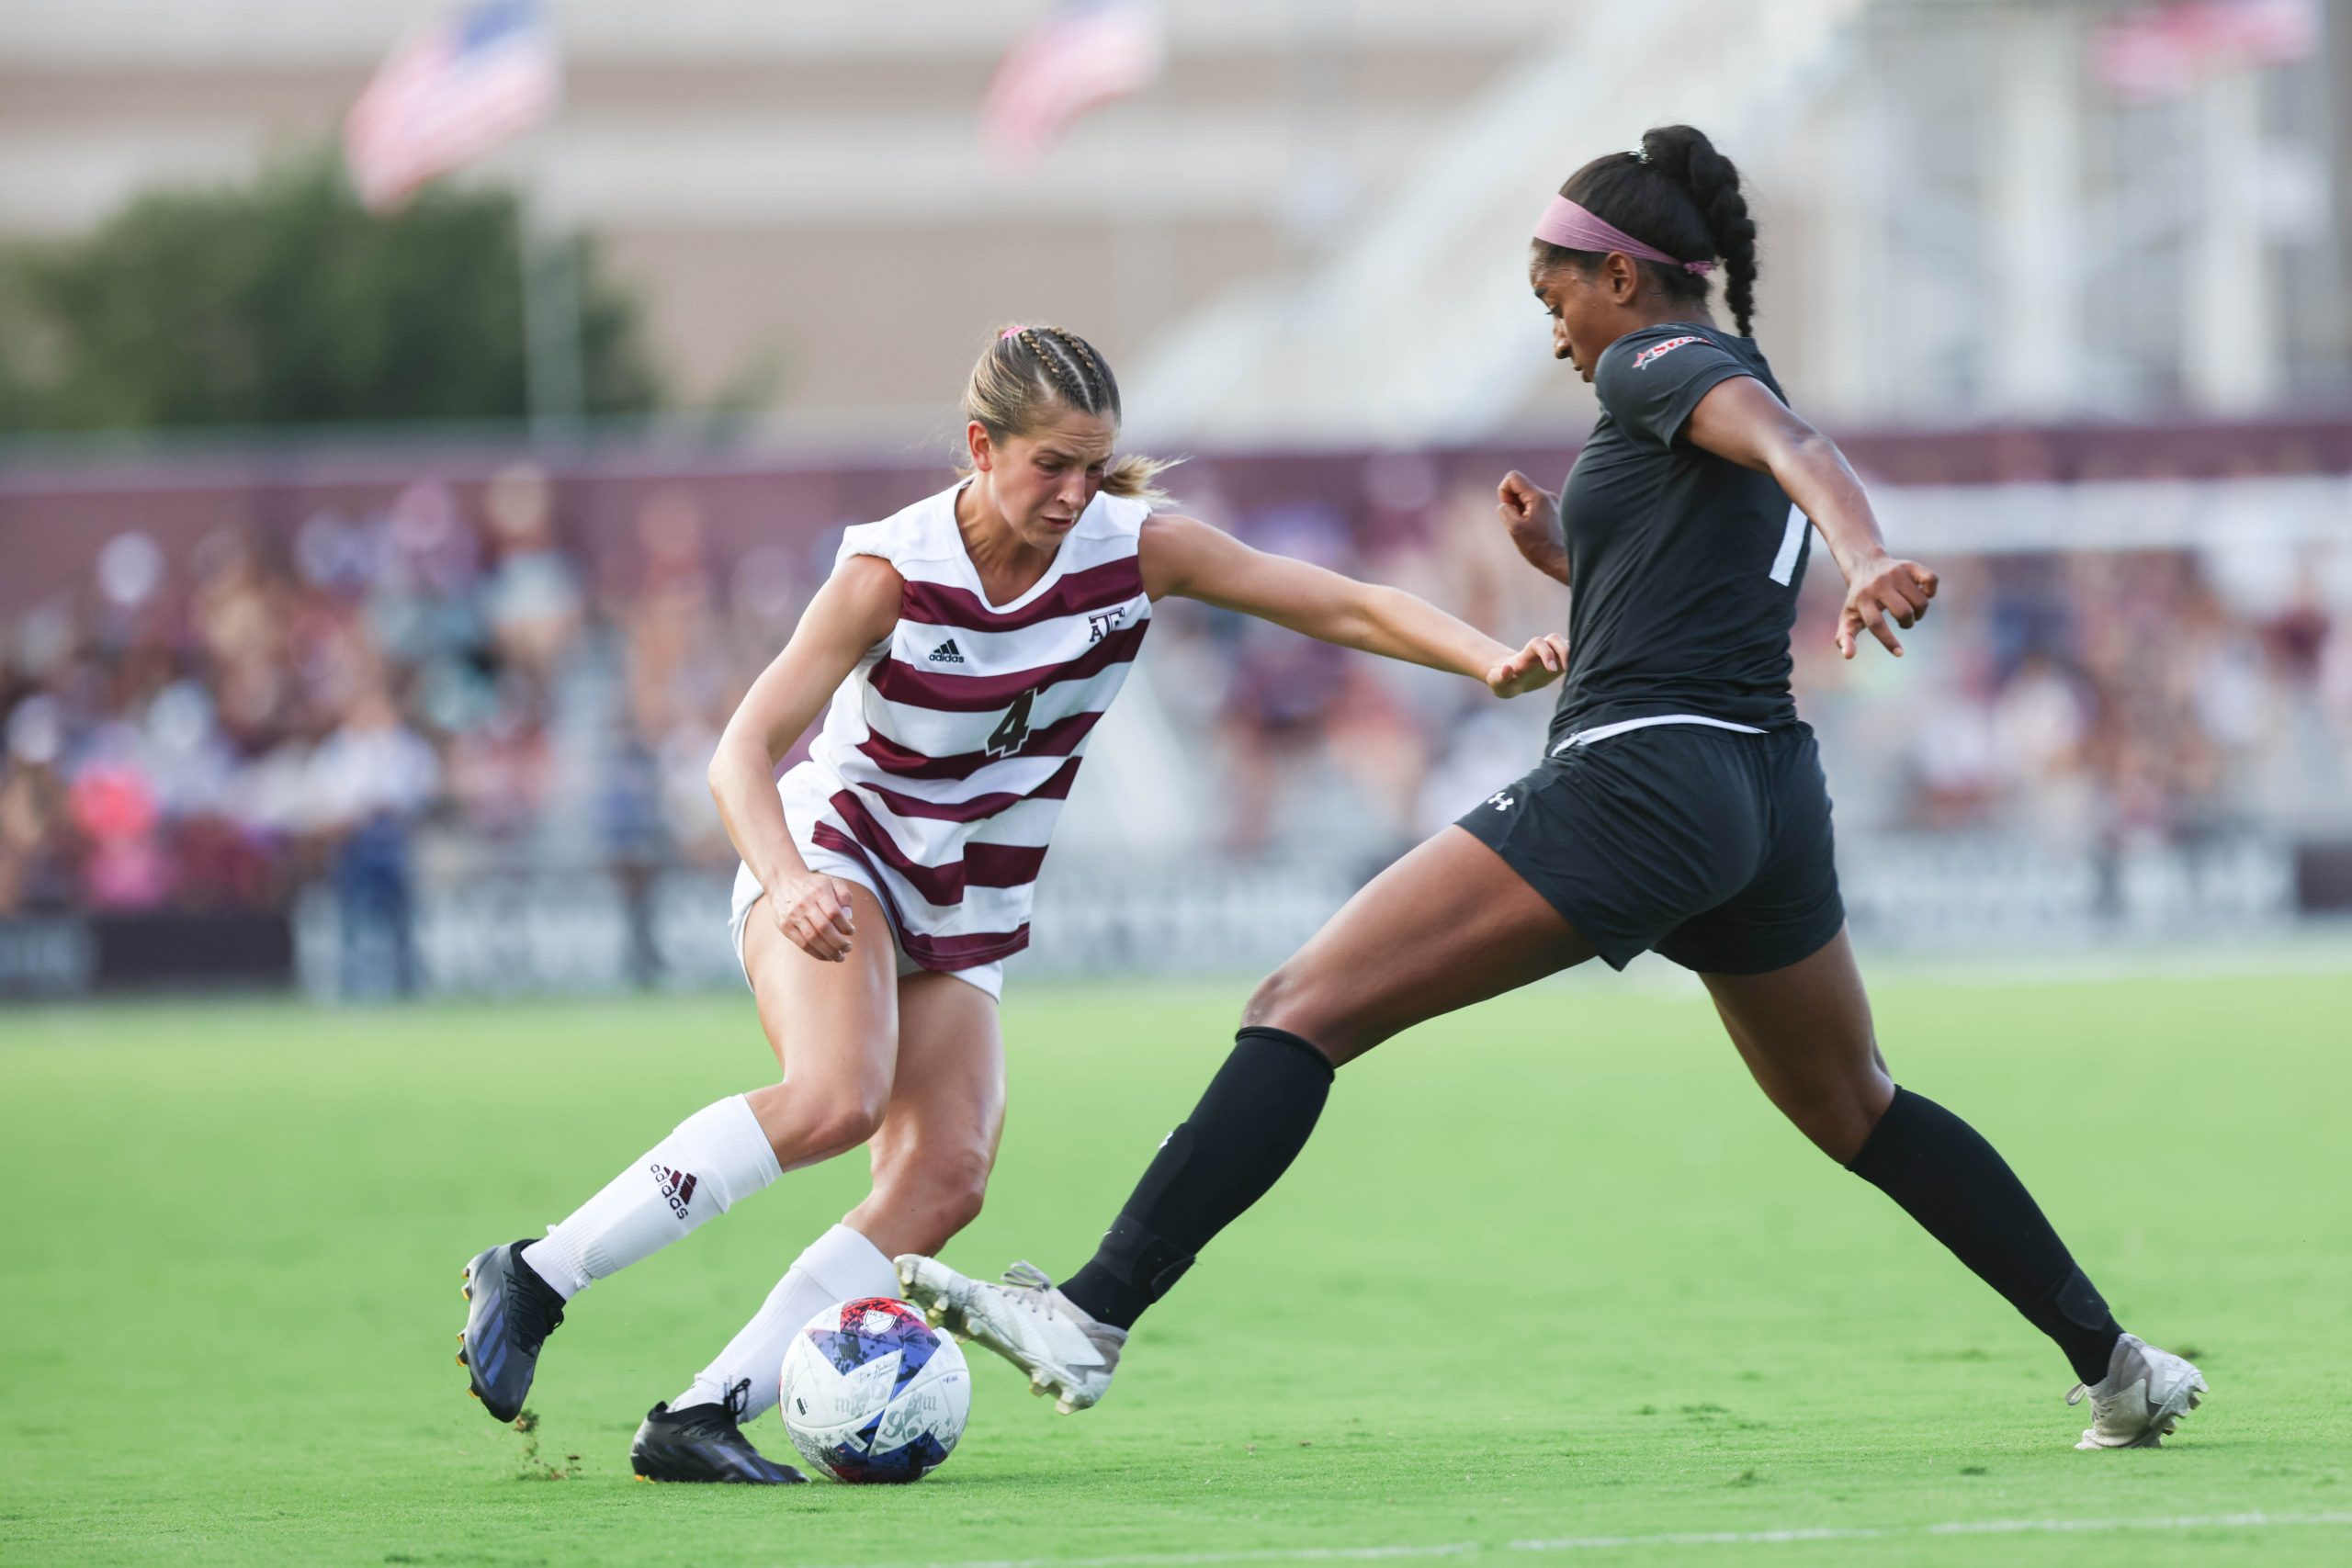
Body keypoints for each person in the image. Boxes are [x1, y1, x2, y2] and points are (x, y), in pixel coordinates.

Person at [897, 128, 2207, 1454]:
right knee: (1857, 1102)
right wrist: (1565, 549)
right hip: (1762, 794)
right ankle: (2118, 1362)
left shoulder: (1657, 360)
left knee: (1298, 1007)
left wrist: (1867, 554)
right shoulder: (1698, 383)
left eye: (1555, 298)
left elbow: (1794, 441)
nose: (1557, 333)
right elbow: (1705, 543)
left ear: (1622, 281)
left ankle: (1095, 1311)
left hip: (1645, 777)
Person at [456, 323, 1572, 1482]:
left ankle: (698, 1415)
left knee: (947, 1178)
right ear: (981, 448)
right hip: (846, 856)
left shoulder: (1134, 550)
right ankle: (537, 1274)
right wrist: (787, 884)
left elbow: (1337, 604)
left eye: (1095, 466)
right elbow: (740, 752)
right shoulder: (889, 574)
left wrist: (1484, 659)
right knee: (837, 1099)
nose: (1076, 492)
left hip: (969, 900)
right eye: (1052, 464)